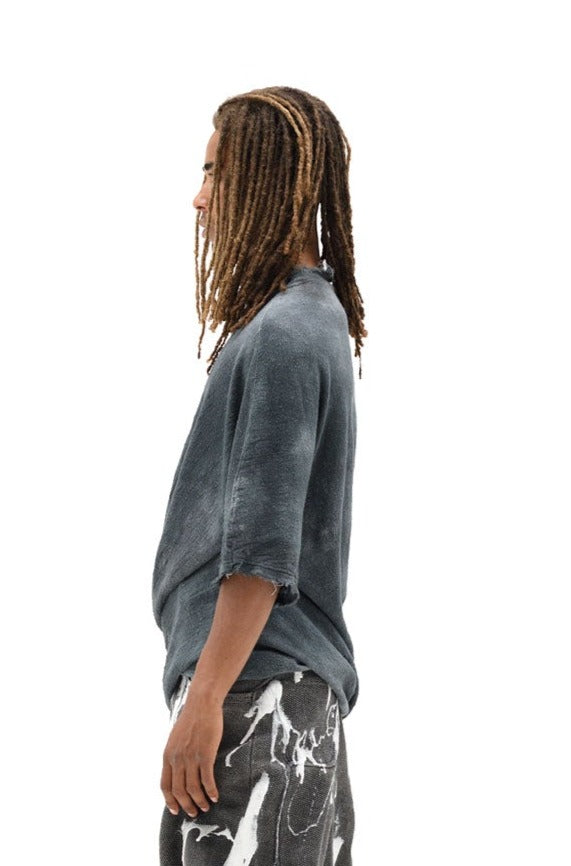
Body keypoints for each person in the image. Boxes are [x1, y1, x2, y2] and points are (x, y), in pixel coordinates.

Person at [151, 85, 367, 866]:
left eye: (216, 173)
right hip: (276, 698)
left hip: (256, 697)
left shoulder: (283, 335)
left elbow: (262, 549)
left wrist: (207, 699)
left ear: (268, 180)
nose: (200, 198)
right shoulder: (306, 320)